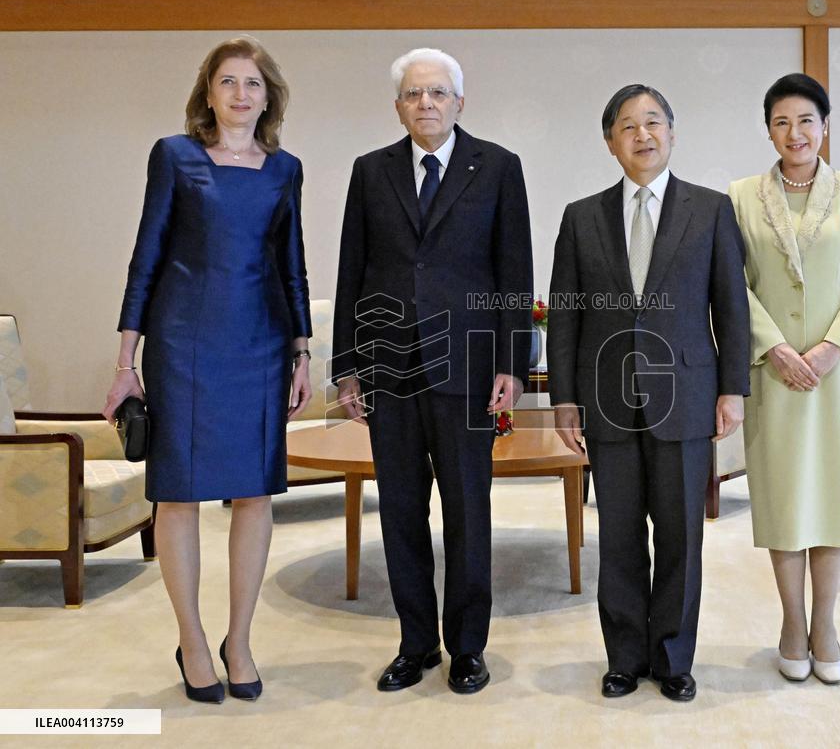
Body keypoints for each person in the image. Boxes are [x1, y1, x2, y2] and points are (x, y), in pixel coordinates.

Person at [103, 37, 311, 704]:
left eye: (253, 83)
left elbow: (292, 264)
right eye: (228, 81)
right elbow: (146, 257)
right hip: (184, 343)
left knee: (255, 493)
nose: (241, 94)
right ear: (209, 93)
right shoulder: (175, 156)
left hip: (261, 342)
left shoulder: (285, 170)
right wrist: (125, 362)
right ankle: (192, 639)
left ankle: (239, 639)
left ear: (268, 97)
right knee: (179, 493)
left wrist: (303, 352)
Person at [332, 48, 532, 694]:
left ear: (459, 103)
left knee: (468, 511)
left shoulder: (498, 167)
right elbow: (352, 270)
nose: (427, 103)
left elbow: (514, 272)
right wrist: (347, 366)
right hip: (389, 367)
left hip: (468, 367)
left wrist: (513, 364)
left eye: (438, 92)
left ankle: (467, 647)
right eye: (414, 94)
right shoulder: (371, 171)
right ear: (398, 106)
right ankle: (415, 643)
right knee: (400, 510)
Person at [547, 84, 750, 701]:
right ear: (610, 143)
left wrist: (733, 388)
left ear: (672, 133)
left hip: (685, 394)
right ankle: (624, 657)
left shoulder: (710, 209)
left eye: (654, 122)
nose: (643, 135)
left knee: (681, 535)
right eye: (629, 126)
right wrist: (564, 398)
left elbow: (731, 306)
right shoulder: (581, 217)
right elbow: (565, 313)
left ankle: (674, 658)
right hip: (606, 398)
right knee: (619, 536)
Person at [728, 73, 840, 685]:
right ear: (768, 130)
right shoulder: (741, 197)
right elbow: (734, 284)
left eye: (805, 121)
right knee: (785, 497)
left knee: (834, 495)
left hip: (837, 374)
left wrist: (829, 349)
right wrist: (773, 348)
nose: (794, 133)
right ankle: (792, 623)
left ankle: (826, 624)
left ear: (824, 126)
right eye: (781, 122)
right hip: (774, 373)